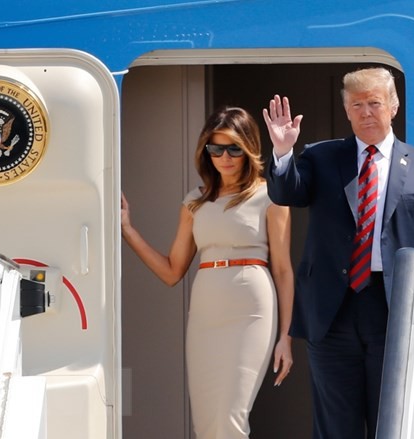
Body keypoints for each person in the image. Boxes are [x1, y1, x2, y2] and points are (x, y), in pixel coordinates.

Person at [262, 67, 414, 439]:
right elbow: (286, 193)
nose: (366, 112)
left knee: (393, 423)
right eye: (357, 104)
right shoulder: (321, 157)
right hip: (332, 314)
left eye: (374, 102)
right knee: (335, 427)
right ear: (346, 110)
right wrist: (282, 152)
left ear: (393, 106)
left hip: (394, 311)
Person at [121, 106, 294, 439]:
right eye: (216, 149)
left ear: (248, 150)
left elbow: (284, 270)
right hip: (205, 311)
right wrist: (128, 230)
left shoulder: (270, 195)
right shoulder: (194, 202)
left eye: (233, 148)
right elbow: (172, 271)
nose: (224, 157)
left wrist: (286, 336)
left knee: (231, 416)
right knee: (205, 422)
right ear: (206, 152)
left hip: (251, 310)